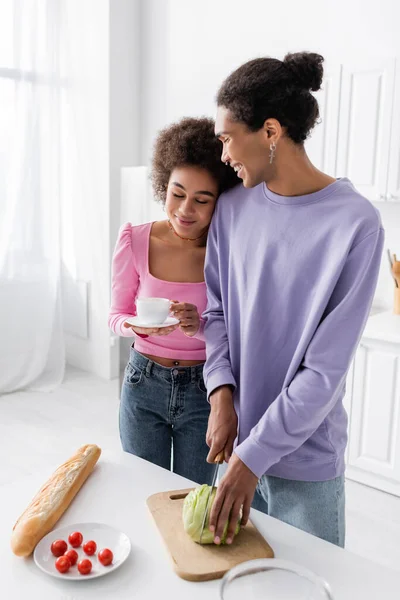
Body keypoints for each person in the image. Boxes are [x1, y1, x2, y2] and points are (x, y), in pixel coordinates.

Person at [203, 52, 384, 547]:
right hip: (235, 446)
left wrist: (252, 459)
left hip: (305, 462)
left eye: (226, 137)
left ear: (269, 131)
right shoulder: (233, 208)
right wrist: (221, 394)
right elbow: (215, 311)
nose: (222, 155)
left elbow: (324, 373)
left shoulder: (355, 223)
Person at [108, 117, 237, 484]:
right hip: (143, 383)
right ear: (163, 185)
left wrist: (199, 326)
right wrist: (132, 324)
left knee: (190, 497)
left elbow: (232, 332)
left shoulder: (225, 252)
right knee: (140, 491)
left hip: (203, 391)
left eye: (202, 199)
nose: (185, 210)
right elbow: (115, 315)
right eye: (177, 194)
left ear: (219, 201)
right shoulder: (134, 239)